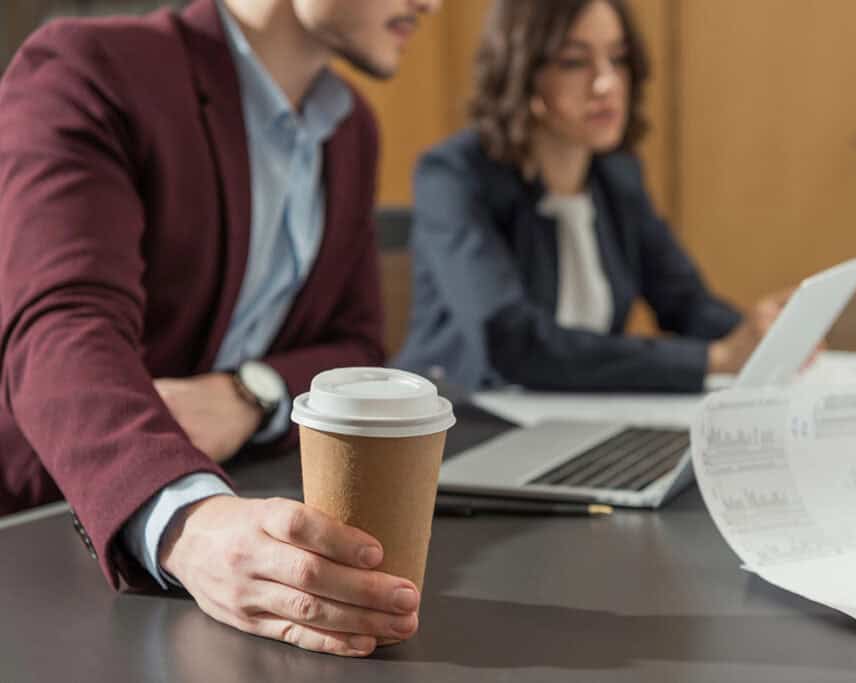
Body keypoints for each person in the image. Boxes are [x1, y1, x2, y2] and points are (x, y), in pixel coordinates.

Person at [0, 0, 440, 657]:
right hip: (44, 534)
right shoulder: (88, 68)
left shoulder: (350, 131)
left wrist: (249, 393)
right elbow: (62, 324)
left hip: (244, 509)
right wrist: (191, 526)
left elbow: (356, 342)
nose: (430, 3)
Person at [397, 0, 786, 393]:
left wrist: (761, 336)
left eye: (618, 59)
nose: (606, 84)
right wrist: (712, 360)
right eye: (573, 62)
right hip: (460, 421)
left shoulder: (617, 175)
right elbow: (514, 342)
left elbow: (684, 301)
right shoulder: (452, 175)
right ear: (521, 71)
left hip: (580, 414)